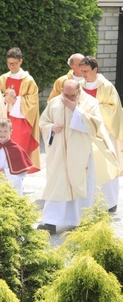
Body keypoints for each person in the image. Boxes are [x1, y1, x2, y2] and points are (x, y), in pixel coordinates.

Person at [37, 80, 119, 234]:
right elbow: (44, 122)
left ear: (79, 91)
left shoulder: (90, 102)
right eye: (65, 95)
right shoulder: (55, 102)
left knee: (81, 185)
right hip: (59, 154)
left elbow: (95, 126)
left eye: (72, 96)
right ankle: (50, 222)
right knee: (56, 185)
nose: (68, 99)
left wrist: (75, 110)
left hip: (80, 154)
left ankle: (80, 220)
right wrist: (51, 128)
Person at [79, 55, 123, 212]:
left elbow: (114, 109)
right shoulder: (80, 86)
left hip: (103, 132)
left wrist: (93, 108)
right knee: (87, 168)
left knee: (105, 166)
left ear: (95, 69)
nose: (83, 74)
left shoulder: (107, 87)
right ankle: (88, 200)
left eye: (86, 71)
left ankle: (110, 203)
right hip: (84, 132)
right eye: (81, 71)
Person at [0, 47, 41, 170]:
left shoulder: (28, 80)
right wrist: (4, 99)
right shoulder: (2, 79)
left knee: (17, 148)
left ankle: (18, 175)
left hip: (20, 120)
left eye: (14, 63)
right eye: (9, 63)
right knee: (3, 148)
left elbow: (32, 101)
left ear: (21, 61)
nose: (12, 66)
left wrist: (16, 101)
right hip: (5, 117)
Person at [0, 119, 38, 196]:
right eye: (0, 131)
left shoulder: (17, 149)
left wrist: (6, 172)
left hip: (13, 183)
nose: (2, 134)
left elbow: (23, 171)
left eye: (5, 131)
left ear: (11, 132)